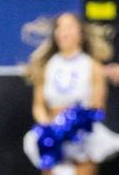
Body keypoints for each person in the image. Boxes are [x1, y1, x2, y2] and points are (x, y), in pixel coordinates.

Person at [24, 12, 119, 174]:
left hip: (82, 132)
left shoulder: (92, 65)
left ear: (80, 34)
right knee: (48, 157)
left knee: (84, 163)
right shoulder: (48, 66)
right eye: (60, 27)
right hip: (52, 131)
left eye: (69, 27)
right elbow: (38, 105)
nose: (64, 31)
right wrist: (49, 127)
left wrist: (72, 122)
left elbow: (97, 106)